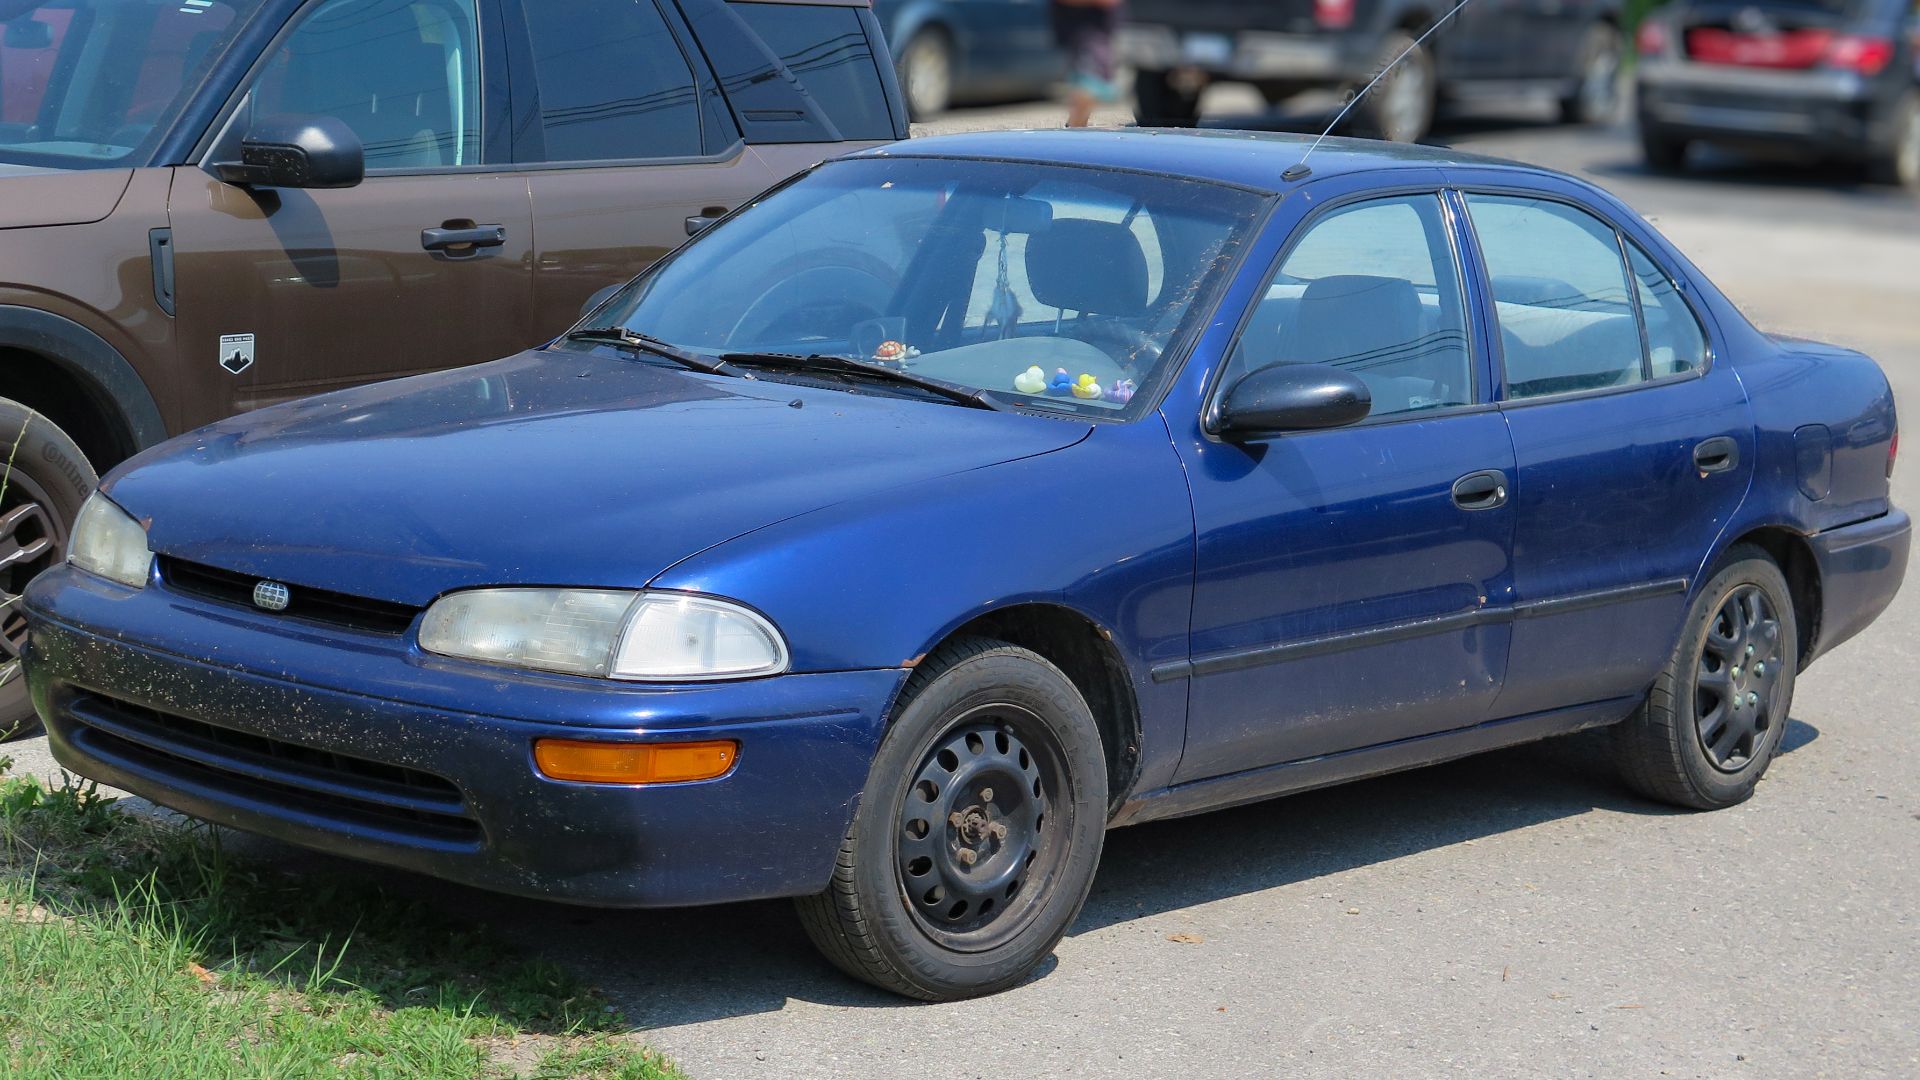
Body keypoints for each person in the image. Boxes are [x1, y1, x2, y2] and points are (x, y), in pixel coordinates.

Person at [1051, 0, 1123, 127]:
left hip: (1098, 31)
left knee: (1091, 84)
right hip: (1083, 32)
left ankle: (1076, 127)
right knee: (1088, 83)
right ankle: (1075, 129)